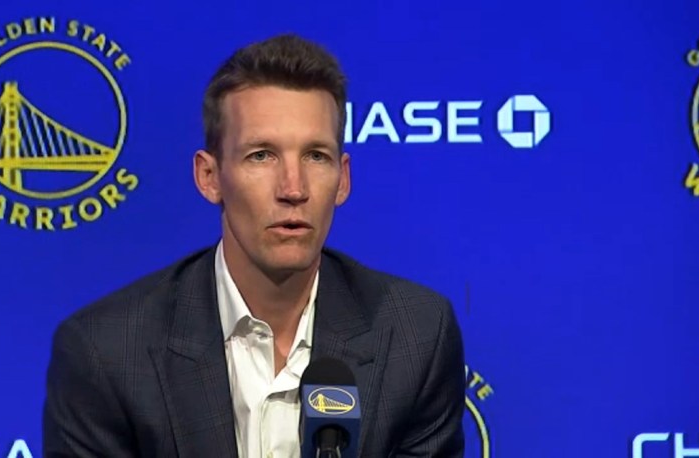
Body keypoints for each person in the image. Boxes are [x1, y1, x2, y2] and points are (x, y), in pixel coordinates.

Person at [42, 33, 465, 458]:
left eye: (316, 156)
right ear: (209, 177)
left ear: (343, 180)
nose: (293, 189)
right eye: (261, 155)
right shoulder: (107, 353)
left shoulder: (414, 337)